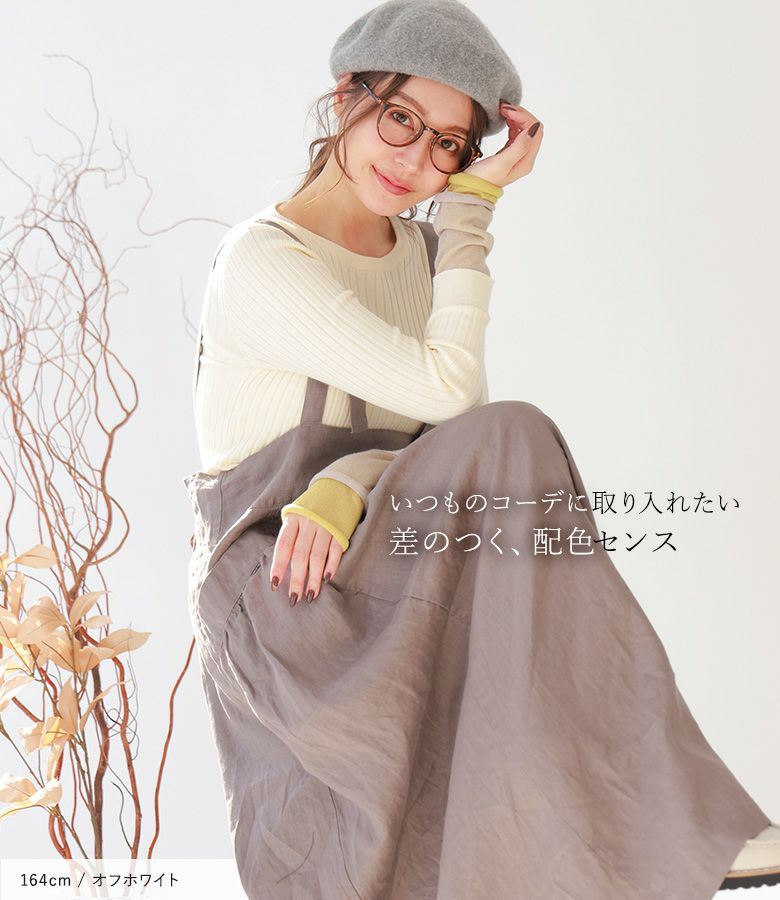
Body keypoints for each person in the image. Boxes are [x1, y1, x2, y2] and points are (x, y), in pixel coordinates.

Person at [183, 1, 779, 896]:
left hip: (374, 547)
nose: (416, 161)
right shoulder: (262, 262)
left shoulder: (424, 255)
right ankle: (678, 826)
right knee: (509, 440)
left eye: (451, 146)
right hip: (284, 591)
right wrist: (474, 209)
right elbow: (451, 398)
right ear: (346, 98)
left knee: (513, 445)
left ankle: (676, 825)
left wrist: (346, 481)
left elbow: (461, 441)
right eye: (400, 119)